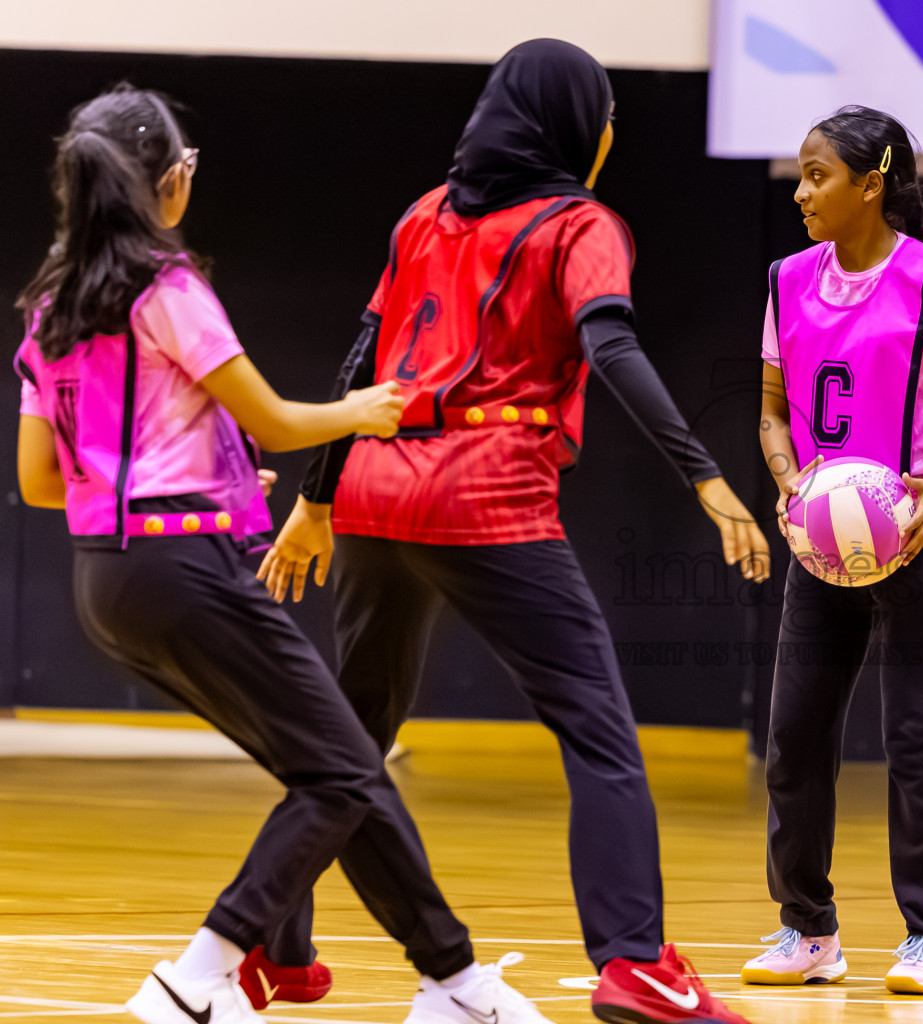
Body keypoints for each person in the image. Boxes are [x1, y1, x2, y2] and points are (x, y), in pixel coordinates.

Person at [15, 83, 551, 1024]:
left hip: (108, 579)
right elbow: (271, 416)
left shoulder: (52, 305)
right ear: (170, 184)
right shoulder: (168, 288)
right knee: (345, 772)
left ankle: (455, 981)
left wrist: (204, 481)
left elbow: (42, 483)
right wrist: (367, 409)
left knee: (335, 767)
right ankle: (201, 973)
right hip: (186, 573)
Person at [256, 39, 766, 1024]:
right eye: (606, 112)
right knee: (600, 733)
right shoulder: (583, 223)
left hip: (371, 491)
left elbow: (366, 353)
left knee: (348, 743)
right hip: (484, 494)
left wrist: (317, 501)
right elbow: (609, 340)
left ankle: (275, 953)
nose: (612, 130)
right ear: (576, 125)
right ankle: (634, 961)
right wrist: (705, 476)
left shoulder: (424, 214)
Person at [742, 106, 923, 996]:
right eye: (799, 173)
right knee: (793, 737)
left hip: (921, 534)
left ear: (871, 184)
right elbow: (774, 413)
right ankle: (807, 929)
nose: (802, 190)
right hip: (823, 545)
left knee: (918, 739)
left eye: (817, 174)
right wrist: (787, 478)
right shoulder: (786, 280)